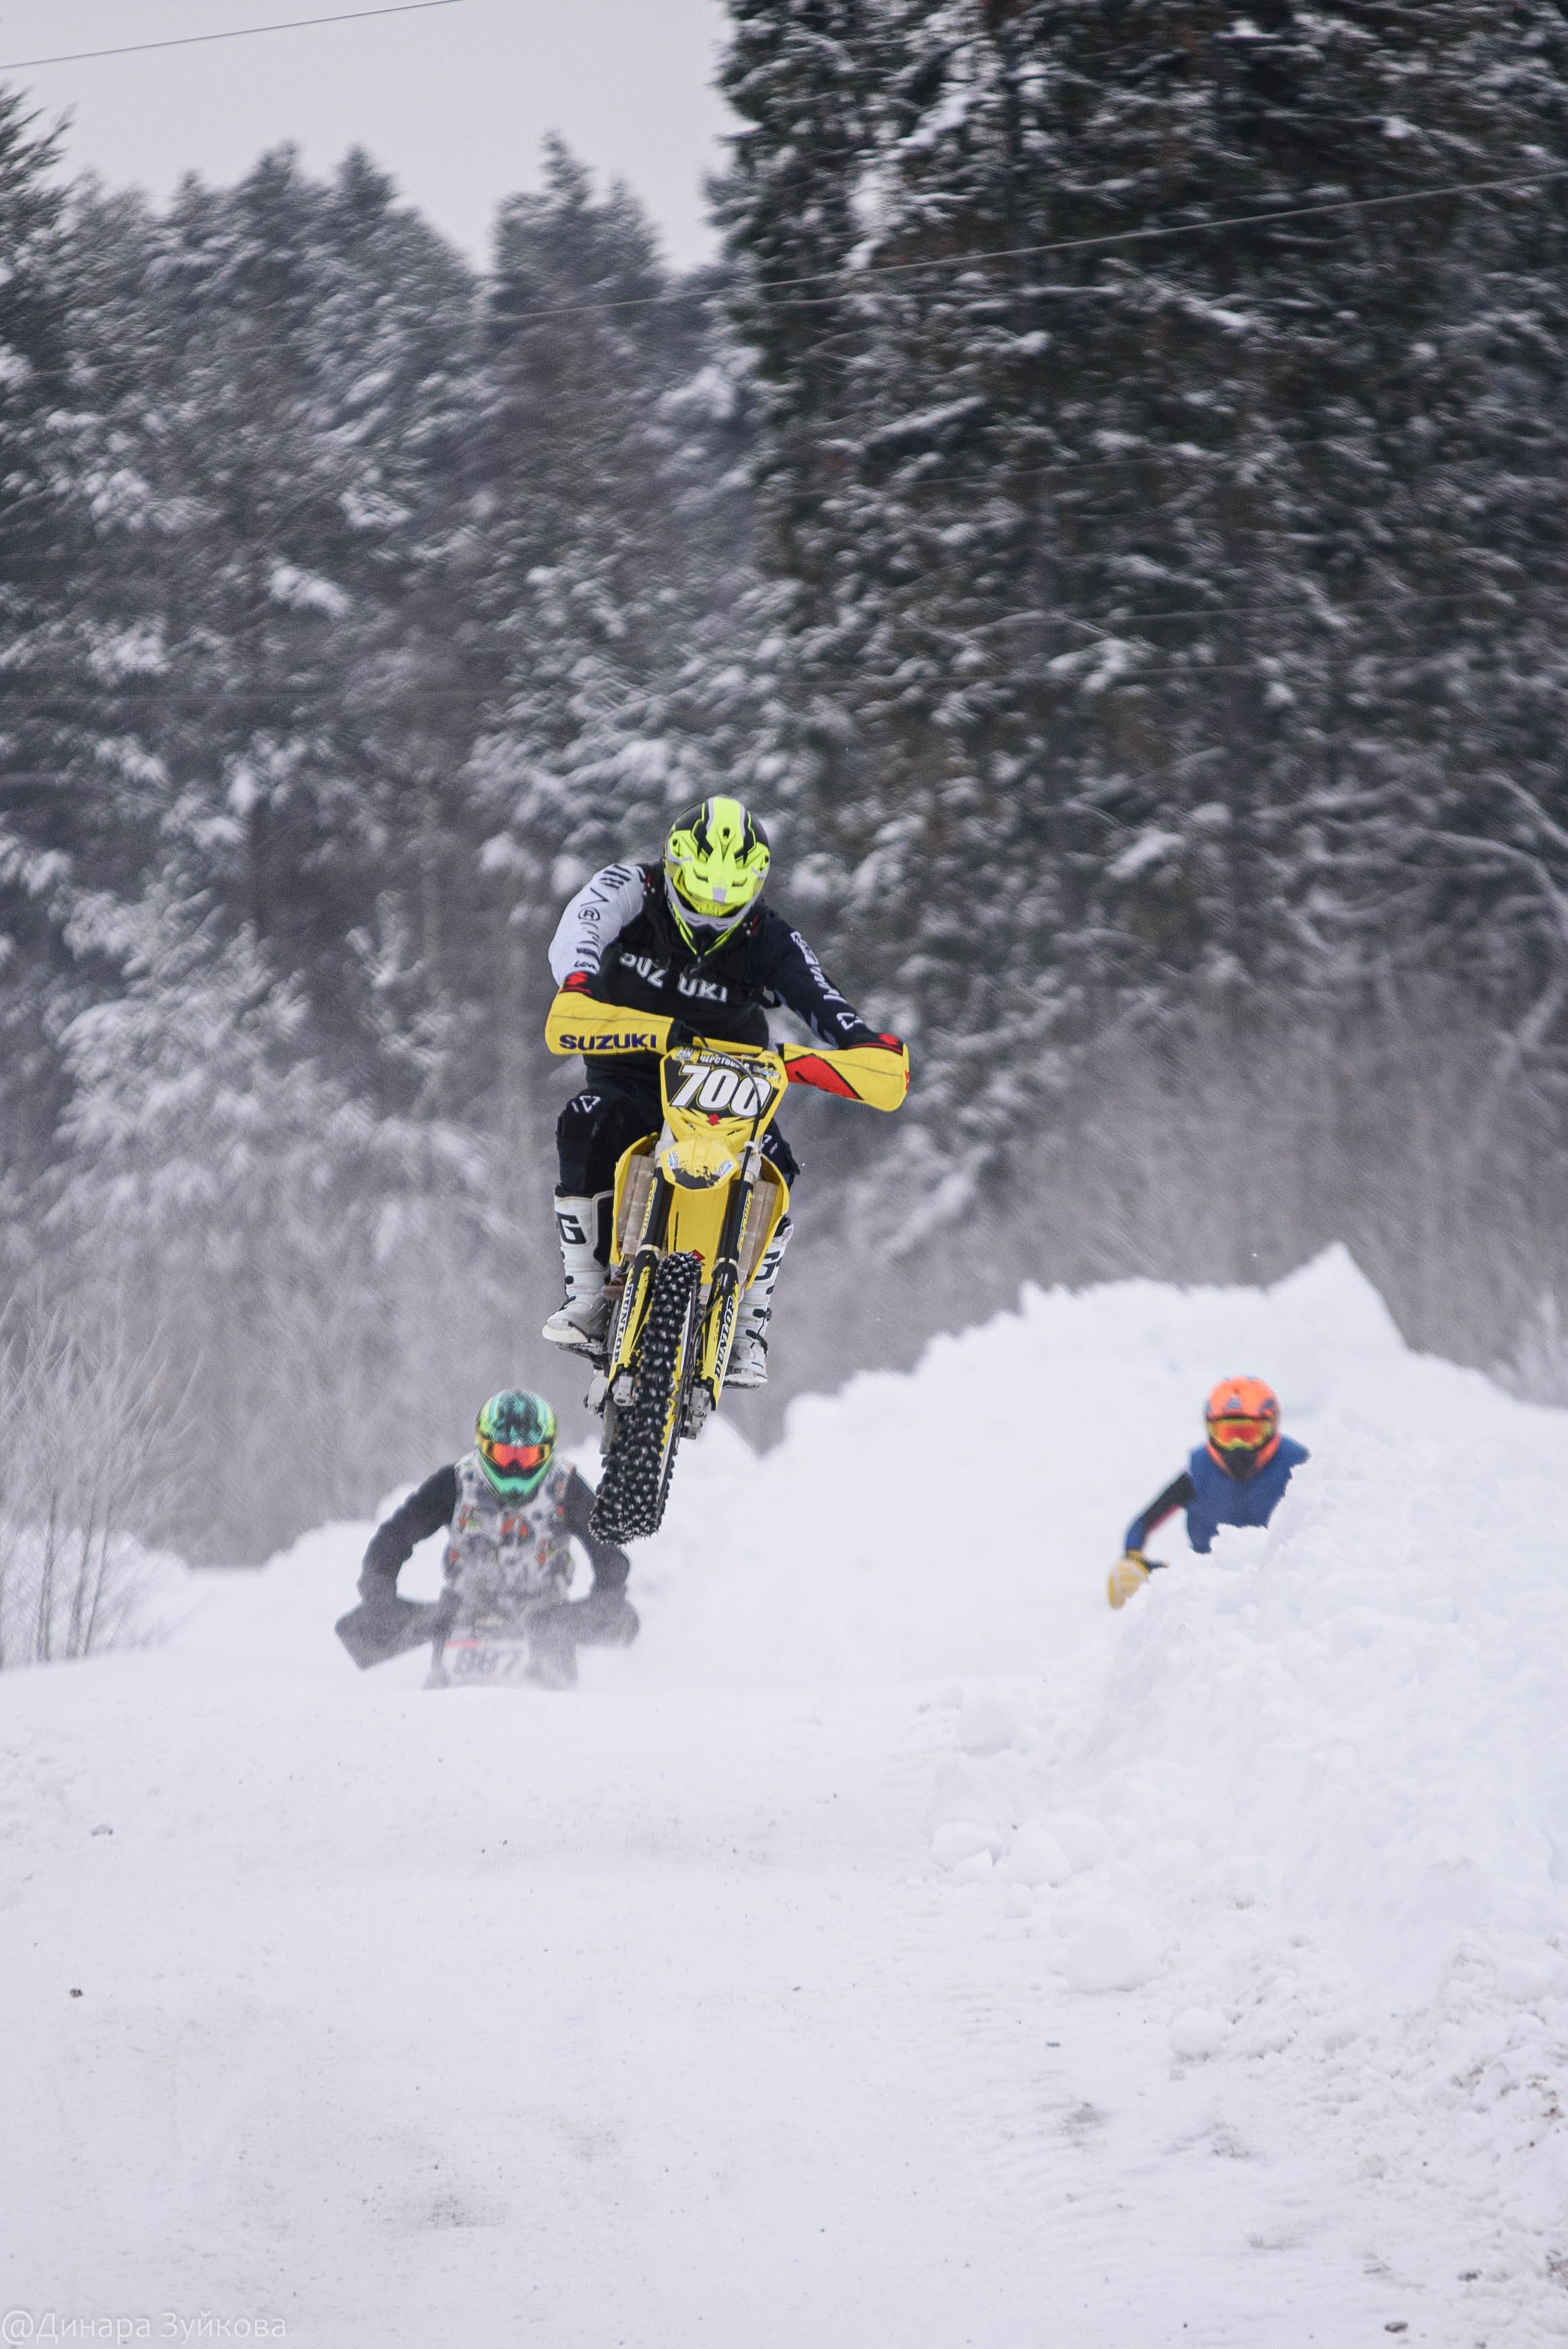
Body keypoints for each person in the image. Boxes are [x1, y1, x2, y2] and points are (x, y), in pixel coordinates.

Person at [542, 795, 899, 1387]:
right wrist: (579, 983)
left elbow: (823, 1000)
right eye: (699, 891)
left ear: (754, 889)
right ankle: (585, 1294)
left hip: (729, 1082)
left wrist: (863, 1045)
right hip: (632, 1068)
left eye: (728, 898)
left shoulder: (770, 938)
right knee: (586, 1121)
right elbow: (580, 928)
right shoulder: (629, 888)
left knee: (775, 1163)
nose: (711, 910)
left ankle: (749, 1322)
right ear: (672, 867)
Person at [353, 1389, 637, 1688]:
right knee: (441, 1701)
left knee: (560, 1692)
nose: (514, 1468)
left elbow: (606, 1547)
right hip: (462, 1616)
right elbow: (397, 1534)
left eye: (526, 1457)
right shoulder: (455, 1483)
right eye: (504, 1455)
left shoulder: (566, 1486)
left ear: (547, 1452)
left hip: (545, 1619)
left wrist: (607, 1594)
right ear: (483, 1447)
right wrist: (378, 1587)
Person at [1108, 1376, 1308, 1608]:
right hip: (1206, 1582)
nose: (1237, 1447)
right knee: (1123, 1582)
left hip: (1279, 1577)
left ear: (1271, 1426)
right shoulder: (1200, 1470)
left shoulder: (1297, 1464)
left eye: (1247, 1435)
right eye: (1227, 1435)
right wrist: (1132, 1557)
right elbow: (1143, 1523)